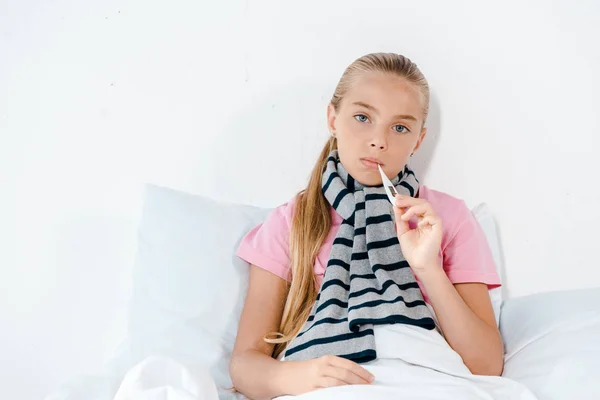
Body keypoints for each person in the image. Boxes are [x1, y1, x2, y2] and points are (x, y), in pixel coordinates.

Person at [229, 52, 503, 400]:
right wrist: (299, 376)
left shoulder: (447, 216)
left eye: (400, 127)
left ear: (418, 140)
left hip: (427, 382)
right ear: (332, 118)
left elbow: (486, 364)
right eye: (362, 117)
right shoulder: (290, 222)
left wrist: (428, 268)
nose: (379, 141)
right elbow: (244, 364)